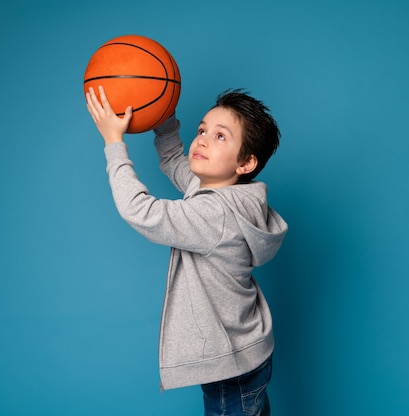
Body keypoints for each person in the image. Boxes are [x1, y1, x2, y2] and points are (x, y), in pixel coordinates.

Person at [86, 85, 287, 416]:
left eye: (221, 136)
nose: (204, 140)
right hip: (246, 351)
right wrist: (162, 111)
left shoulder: (215, 214)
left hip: (230, 369)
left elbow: (140, 211)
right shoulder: (222, 194)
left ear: (246, 162)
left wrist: (113, 143)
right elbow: (170, 158)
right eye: (202, 130)